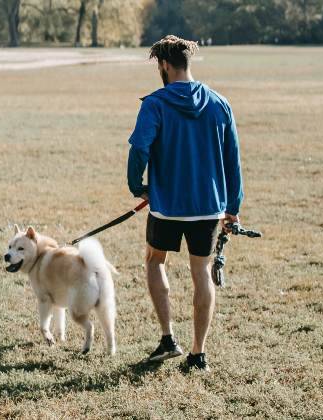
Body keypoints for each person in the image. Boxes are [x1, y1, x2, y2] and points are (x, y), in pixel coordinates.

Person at [127, 35, 244, 371]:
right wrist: (232, 207)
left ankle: (167, 339)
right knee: (202, 272)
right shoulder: (220, 103)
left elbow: (139, 149)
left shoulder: (155, 103)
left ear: (164, 65)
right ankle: (198, 353)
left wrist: (138, 186)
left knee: (154, 261)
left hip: (166, 206)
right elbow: (233, 161)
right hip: (209, 207)